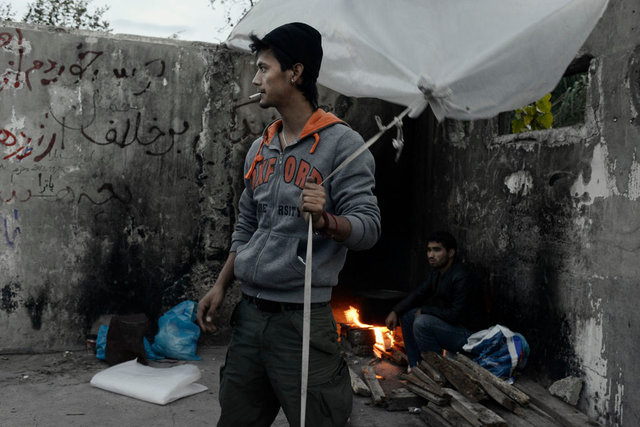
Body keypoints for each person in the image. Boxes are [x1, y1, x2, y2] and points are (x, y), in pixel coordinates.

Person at [196, 22, 381, 427]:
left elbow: (369, 228)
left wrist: (327, 220)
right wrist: (221, 285)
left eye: (264, 68)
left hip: (302, 323)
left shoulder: (342, 146)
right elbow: (247, 225)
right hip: (250, 318)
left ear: (295, 73)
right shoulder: (260, 148)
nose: (256, 79)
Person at [385, 231, 485, 368]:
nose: (431, 255)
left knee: (422, 322)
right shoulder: (438, 273)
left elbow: (456, 315)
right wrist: (395, 311)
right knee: (408, 316)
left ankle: (435, 371)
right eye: (429, 250)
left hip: (470, 337)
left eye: (437, 250)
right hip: (452, 329)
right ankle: (416, 368)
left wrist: (426, 310)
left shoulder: (461, 277)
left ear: (450, 253)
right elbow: (419, 294)